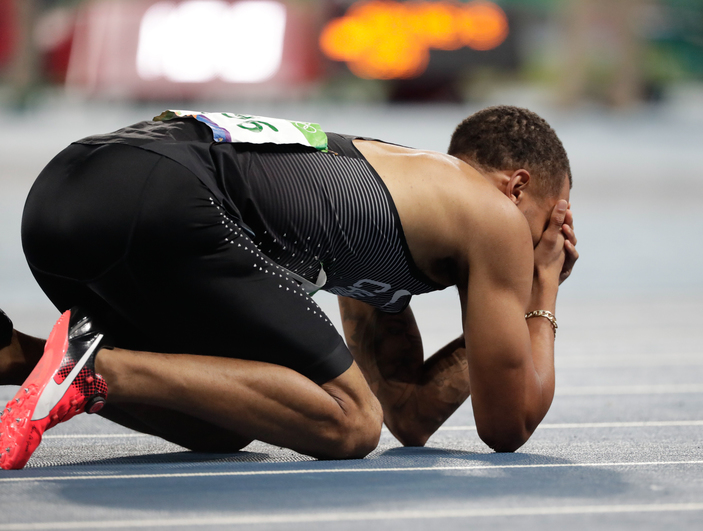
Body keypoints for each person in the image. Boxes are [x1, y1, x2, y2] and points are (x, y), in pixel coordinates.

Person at [0, 106, 577, 470]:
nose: (549, 240)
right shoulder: (494, 214)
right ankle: (99, 369)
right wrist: (543, 288)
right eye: (554, 221)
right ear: (517, 188)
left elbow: (409, 412)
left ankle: (18, 356)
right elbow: (507, 427)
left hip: (62, 196)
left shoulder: (397, 204)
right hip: (170, 201)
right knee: (350, 424)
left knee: (228, 420)